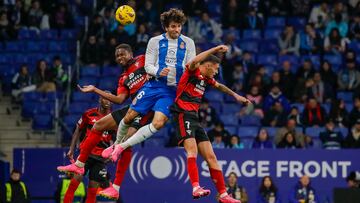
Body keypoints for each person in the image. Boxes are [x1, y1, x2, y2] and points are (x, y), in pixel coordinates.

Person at [57, 44, 150, 200]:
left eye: (122, 54)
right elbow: (120, 99)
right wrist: (94, 89)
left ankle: (115, 180)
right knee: (100, 126)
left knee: (125, 144)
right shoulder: (123, 78)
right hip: (134, 108)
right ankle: (79, 165)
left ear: (131, 53)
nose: (120, 58)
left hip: (150, 105)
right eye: (117, 56)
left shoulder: (143, 60)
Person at [105, 8, 196, 162]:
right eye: (173, 26)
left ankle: (121, 146)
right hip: (153, 85)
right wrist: (159, 71)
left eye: (179, 26)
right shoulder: (155, 41)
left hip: (171, 91)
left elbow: (191, 66)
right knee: (129, 117)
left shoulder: (188, 43)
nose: (177, 29)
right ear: (166, 27)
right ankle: (115, 145)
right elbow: (148, 67)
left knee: (158, 123)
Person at [170, 45, 250, 202]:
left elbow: (220, 86)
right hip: (182, 114)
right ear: (207, 65)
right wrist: (215, 49)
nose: (217, 71)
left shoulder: (206, 79)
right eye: (215, 68)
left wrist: (236, 96)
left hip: (194, 118)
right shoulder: (191, 72)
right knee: (191, 151)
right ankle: (195, 187)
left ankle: (224, 195)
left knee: (211, 157)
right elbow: (195, 60)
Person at [62, 95, 114, 203]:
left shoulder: (113, 118)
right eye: (105, 98)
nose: (108, 101)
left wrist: (112, 151)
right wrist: (71, 148)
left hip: (101, 158)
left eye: (110, 99)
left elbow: (114, 138)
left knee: (92, 190)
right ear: (100, 100)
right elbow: (78, 129)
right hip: (86, 154)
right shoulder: (89, 114)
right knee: (74, 183)